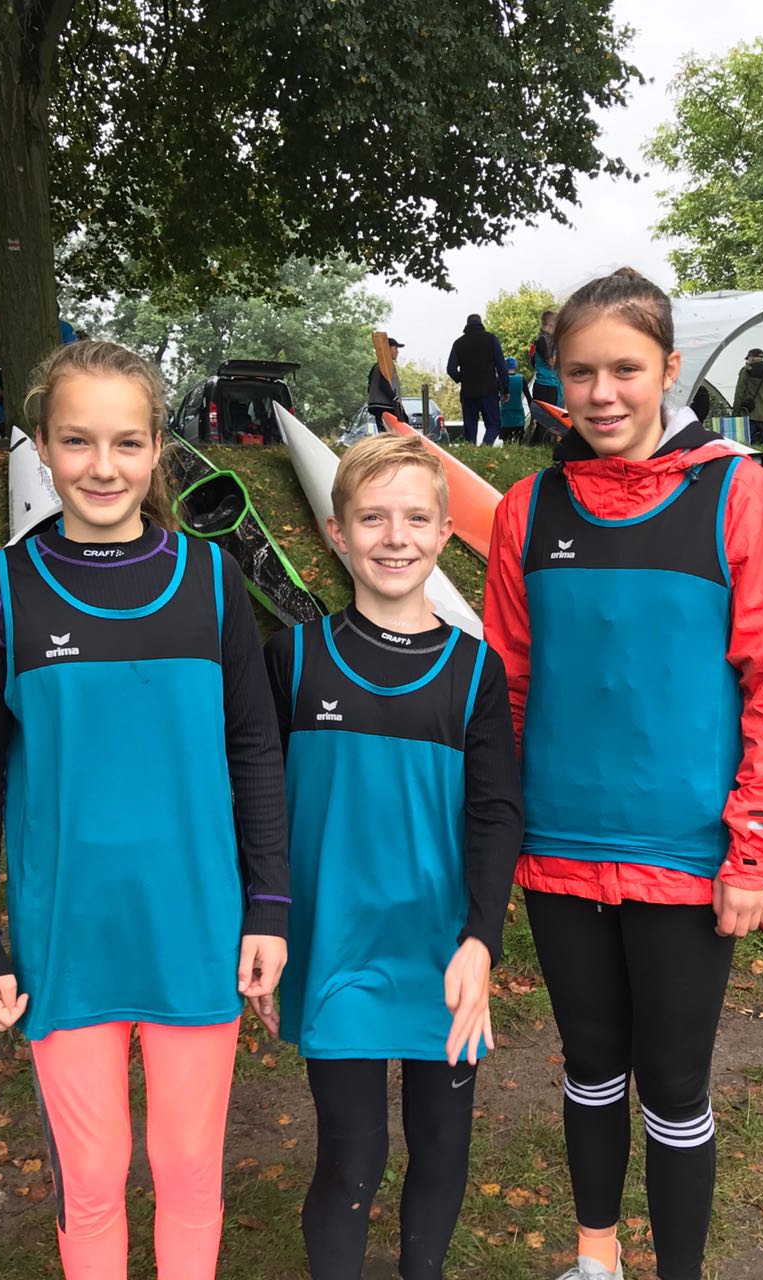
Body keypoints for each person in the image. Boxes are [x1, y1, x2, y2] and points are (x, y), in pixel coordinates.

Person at [483, 269, 763, 1280]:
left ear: (668, 368)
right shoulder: (525, 509)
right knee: (590, 1068)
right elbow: (506, 685)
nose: (601, 394)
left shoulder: (737, 494)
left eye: (625, 369)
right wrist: (494, 830)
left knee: (674, 1086)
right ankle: (596, 1260)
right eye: (580, 371)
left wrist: (756, 850)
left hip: (688, 854)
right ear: (556, 377)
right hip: (558, 846)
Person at [0, 339, 289, 1280]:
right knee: (93, 1178)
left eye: (128, 442)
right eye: (78, 440)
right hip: (67, 939)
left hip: (196, 928)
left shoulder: (212, 582)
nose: (103, 466)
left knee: (188, 1170)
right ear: (42, 447)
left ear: (157, 449)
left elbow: (255, 752)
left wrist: (268, 907)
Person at [264, 434, 523, 1280]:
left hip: (441, 954)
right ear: (336, 532)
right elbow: (255, 807)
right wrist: (261, 927)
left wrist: (481, 940)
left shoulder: (473, 671)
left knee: (442, 1148)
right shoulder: (293, 660)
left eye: (415, 518)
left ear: (445, 533)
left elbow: (496, 815)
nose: (395, 537)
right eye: (372, 518)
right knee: (353, 1159)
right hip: (334, 949)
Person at [446, 313, 510, 445]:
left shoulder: (459, 343)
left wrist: (461, 379)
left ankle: (471, 452)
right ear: (481, 324)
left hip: (468, 392)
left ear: (467, 325)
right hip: (489, 390)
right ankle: (485, 447)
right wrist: (505, 389)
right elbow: (501, 366)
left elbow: (451, 369)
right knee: (493, 425)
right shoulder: (491, 339)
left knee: (470, 430)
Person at [732, 347, 763, 445]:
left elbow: (739, 393)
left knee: (747, 445)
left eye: (748, 358)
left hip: (750, 414)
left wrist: (735, 413)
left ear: (751, 357)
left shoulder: (746, 372)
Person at [368, 336, 406, 432]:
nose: (397, 351)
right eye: (395, 348)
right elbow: (383, 383)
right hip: (385, 406)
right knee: (396, 431)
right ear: (388, 349)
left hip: (378, 406)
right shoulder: (386, 365)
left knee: (385, 432)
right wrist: (395, 399)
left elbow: (369, 386)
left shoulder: (377, 366)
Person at [531, 309, 564, 409]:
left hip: (553, 385)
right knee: (550, 417)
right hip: (547, 387)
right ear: (551, 324)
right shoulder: (542, 340)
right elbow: (552, 363)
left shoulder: (549, 339)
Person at [499, 356, 533, 443]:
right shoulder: (521, 379)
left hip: (505, 417)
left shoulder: (500, 380)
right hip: (518, 417)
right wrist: (533, 414)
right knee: (519, 443)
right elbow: (529, 398)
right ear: (515, 366)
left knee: (506, 444)